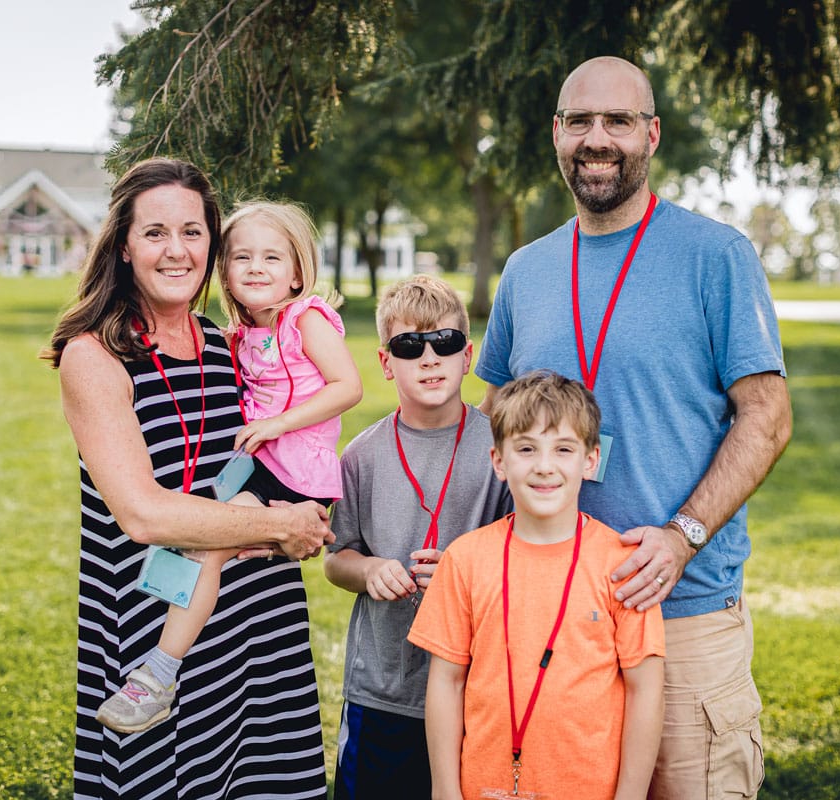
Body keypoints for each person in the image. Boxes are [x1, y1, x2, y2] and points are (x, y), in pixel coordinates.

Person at [475, 57, 793, 799]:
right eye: (580, 121)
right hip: (553, 617)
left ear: (651, 134)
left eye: (618, 120)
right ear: (556, 133)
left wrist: (683, 534)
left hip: (680, 613)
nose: (598, 138)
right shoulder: (526, 270)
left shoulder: (716, 256)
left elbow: (768, 417)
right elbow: (494, 420)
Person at [42, 157, 333, 800]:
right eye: (155, 233)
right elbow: (144, 514)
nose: (177, 251)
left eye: (194, 232)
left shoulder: (226, 344)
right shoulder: (94, 356)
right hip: (157, 629)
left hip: (260, 621)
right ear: (123, 245)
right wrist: (278, 523)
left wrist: (300, 515)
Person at [93, 199, 362, 734]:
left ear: (296, 274)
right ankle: (172, 664)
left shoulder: (305, 320)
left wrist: (280, 424)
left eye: (271, 258)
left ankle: (159, 675)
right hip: (262, 468)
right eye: (242, 259)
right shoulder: (239, 337)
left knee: (204, 547)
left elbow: (348, 388)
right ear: (226, 274)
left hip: (294, 472)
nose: (256, 268)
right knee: (211, 550)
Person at [408, 370, 665, 800]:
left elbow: (646, 689)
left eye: (563, 449)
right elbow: (446, 683)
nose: (544, 466)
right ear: (499, 461)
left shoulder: (623, 566)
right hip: (481, 788)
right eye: (526, 449)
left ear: (590, 460)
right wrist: (444, 790)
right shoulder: (465, 559)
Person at [324, 274, 512, 800]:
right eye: (410, 346)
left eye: (445, 343)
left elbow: (522, 554)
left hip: (477, 687)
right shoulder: (360, 456)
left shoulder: (500, 450)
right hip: (381, 688)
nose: (429, 358)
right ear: (387, 363)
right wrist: (368, 570)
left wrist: (465, 569)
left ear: (467, 355)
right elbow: (337, 558)